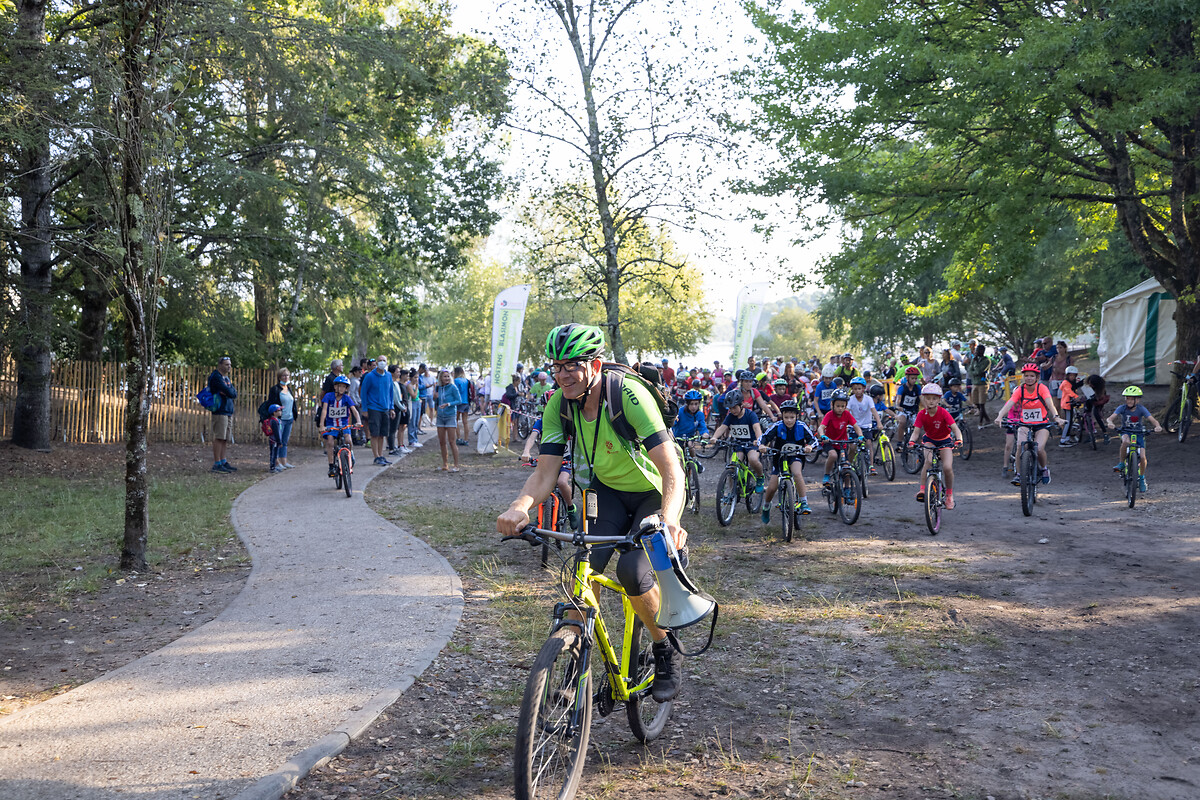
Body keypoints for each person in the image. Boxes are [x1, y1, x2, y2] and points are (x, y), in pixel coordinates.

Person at [496, 323, 687, 703]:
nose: (563, 373)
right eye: (557, 365)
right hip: (606, 493)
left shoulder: (628, 395)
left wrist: (670, 520)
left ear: (595, 365)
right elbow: (546, 472)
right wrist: (520, 506)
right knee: (585, 571)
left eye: (573, 365)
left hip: (651, 493)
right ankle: (573, 665)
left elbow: (671, 470)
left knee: (632, 573)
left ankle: (664, 650)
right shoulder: (558, 404)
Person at [993, 363, 1066, 485]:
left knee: (1039, 448)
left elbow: (1050, 404)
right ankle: (1019, 474)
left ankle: (1044, 469)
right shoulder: (1020, 390)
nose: (1029, 378)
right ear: (1023, 377)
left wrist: (1057, 417)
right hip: (1024, 423)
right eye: (1026, 375)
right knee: (1020, 445)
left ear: (1036, 377)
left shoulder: (1041, 388)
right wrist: (1000, 416)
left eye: (1032, 376)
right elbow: (1010, 403)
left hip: (1041, 423)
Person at [759, 398, 816, 522]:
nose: (789, 420)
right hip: (779, 457)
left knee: (796, 473)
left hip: (796, 456)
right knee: (772, 486)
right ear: (782, 417)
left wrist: (809, 446)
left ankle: (803, 502)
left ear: (797, 416)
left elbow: (813, 439)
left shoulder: (802, 426)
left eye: (792, 417)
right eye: (786, 417)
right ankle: (766, 506)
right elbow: (764, 437)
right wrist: (762, 445)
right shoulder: (777, 426)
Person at [909, 383, 963, 509]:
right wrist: (911, 442)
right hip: (929, 441)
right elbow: (916, 432)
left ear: (939, 400)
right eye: (928, 398)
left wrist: (959, 439)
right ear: (923, 399)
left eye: (934, 398)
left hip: (945, 441)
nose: (931, 401)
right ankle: (922, 490)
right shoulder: (922, 414)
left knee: (947, 467)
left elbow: (955, 428)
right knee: (927, 462)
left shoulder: (943, 413)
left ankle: (949, 496)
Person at [1107, 386, 1164, 492]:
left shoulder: (1141, 409)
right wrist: (1110, 422)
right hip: (1126, 431)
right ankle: (1122, 463)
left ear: (1137, 400)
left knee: (1142, 457)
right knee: (1125, 441)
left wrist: (1157, 426)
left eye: (1132, 399)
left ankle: (1141, 478)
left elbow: (1152, 419)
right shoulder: (1122, 408)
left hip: (1139, 433)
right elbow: (1110, 417)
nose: (1129, 401)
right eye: (1127, 398)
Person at [711, 389, 766, 491]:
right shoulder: (731, 416)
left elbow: (757, 428)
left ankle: (760, 477)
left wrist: (759, 441)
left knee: (753, 459)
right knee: (732, 465)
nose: (732, 410)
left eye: (734, 407)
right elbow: (722, 427)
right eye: (730, 408)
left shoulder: (750, 415)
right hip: (738, 444)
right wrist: (714, 437)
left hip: (751, 443)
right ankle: (732, 491)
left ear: (741, 405)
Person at [818, 389, 863, 486]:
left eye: (843, 406)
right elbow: (821, 427)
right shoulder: (829, 415)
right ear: (832, 405)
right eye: (838, 406)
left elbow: (856, 426)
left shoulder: (847, 414)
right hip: (829, 442)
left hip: (842, 444)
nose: (840, 409)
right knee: (833, 455)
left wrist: (860, 436)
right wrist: (822, 435)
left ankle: (847, 488)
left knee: (846, 468)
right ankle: (827, 475)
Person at [319, 375, 363, 476]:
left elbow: (354, 411)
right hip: (331, 425)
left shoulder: (347, 398)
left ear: (346, 388)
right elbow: (324, 411)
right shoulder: (328, 396)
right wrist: (322, 425)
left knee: (348, 440)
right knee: (330, 441)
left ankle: (350, 454)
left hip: (343, 424)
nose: (341, 389)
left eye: (344, 387)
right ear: (335, 387)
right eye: (339, 386)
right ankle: (331, 466)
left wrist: (359, 421)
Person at [361, 357, 396, 466]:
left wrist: (391, 408)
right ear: (376, 362)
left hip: (385, 408)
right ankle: (376, 456)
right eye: (379, 360)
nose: (382, 362)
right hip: (373, 407)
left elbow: (391, 392)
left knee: (382, 433)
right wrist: (365, 408)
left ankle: (381, 455)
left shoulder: (388, 375)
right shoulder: (370, 376)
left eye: (384, 360)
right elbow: (363, 392)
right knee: (375, 433)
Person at [208, 356, 238, 473]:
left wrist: (229, 391)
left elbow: (233, 393)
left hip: (228, 410)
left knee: (225, 438)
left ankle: (223, 461)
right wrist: (228, 391)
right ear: (220, 365)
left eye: (230, 364)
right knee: (219, 437)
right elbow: (229, 392)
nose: (229, 366)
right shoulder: (216, 377)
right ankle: (217, 463)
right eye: (226, 364)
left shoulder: (226, 378)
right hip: (220, 410)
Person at [847, 377, 882, 475]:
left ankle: (871, 466)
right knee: (852, 447)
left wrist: (879, 423)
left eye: (859, 388)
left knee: (869, 443)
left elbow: (873, 411)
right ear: (852, 390)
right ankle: (849, 464)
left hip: (866, 426)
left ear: (863, 389)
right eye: (855, 389)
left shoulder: (868, 399)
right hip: (854, 426)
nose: (857, 391)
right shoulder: (850, 400)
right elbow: (847, 412)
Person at [265, 367, 296, 470]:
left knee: (284, 441)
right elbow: (272, 403)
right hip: (280, 419)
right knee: (277, 441)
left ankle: (284, 461)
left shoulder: (289, 389)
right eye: (284, 375)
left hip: (289, 418)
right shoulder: (275, 389)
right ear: (279, 377)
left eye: (287, 375)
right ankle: (276, 462)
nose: (286, 377)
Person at [434, 368, 462, 471]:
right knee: (442, 441)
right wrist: (434, 397)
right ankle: (445, 464)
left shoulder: (453, 387)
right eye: (444, 376)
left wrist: (448, 404)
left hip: (450, 416)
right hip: (440, 417)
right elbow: (436, 399)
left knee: (452, 441)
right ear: (440, 377)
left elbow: (459, 400)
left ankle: (456, 465)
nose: (446, 378)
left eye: (448, 376)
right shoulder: (439, 388)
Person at [892, 366, 923, 447]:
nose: (914, 380)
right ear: (907, 378)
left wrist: (928, 407)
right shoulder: (902, 388)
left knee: (918, 426)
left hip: (913, 410)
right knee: (902, 422)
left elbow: (921, 399)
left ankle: (919, 447)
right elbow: (898, 399)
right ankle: (899, 443)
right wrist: (898, 406)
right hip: (903, 410)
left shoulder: (917, 388)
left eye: (916, 378)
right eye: (912, 378)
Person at [1057, 366, 1085, 447]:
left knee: (1070, 422)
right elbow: (1069, 391)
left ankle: (1067, 438)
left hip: (1070, 404)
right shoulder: (1066, 383)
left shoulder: (1070, 383)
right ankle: (1063, 440)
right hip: (1067, 404)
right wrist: (1076, 397)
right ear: (1067, 375)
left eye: (1074, 375)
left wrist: (1082, 382)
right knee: (1068, 423)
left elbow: (1074, 387)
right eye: (1071, 375)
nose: (1072, 377)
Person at [388, 365, 412, 456]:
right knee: (393, 429)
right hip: (395, 407)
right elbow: (395, 398)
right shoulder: (391, 383)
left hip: (399, 407)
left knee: (395, 428)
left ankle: (395, 447)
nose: (399, 374)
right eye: (397, 372)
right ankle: (391, 448)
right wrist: (402, 408)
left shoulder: (396, 383)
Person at [966, 344, 992, 427]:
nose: (976, 352)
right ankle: (987, 419)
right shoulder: (974, 359)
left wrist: (975, 369)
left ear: (982, 351)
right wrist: (974, 372)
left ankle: (980, 422)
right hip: (975, 383)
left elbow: (979, 371)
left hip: (982, 384)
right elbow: (970, 370)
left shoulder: (986, 360)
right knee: (976, 403)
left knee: (982, 404)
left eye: (977, 350)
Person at [454, 366, 472, 446]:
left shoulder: (456, 381)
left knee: (456, 420)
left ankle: (458, 438)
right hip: (466, 401)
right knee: (465, 421)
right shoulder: (467, 381)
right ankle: (466, 439)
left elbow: (456, 391)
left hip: (459, 402)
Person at [262, 404, 283, 473]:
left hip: (275, 440)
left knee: (275, 453)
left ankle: (274, 466)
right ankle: (272, 467)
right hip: (274, 440)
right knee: (273, 454)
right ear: (274, 412)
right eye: (279, 410)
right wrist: (279, 441)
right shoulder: (274, 421)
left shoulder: (276, 420)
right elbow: (276, 432)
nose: (280, 412)